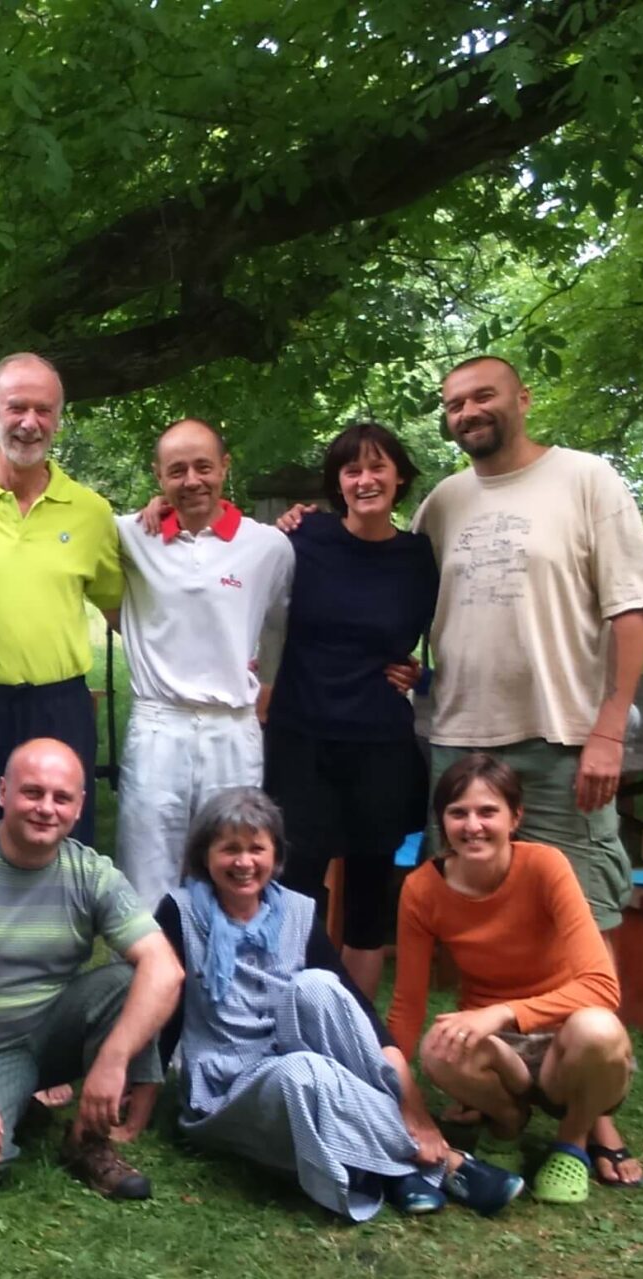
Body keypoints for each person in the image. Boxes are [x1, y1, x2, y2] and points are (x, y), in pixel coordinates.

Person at [412, 356, 643, 1187]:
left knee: (584, 906)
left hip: (560, 741)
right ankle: (496, 1078)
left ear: (521, 399)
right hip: (459, 737)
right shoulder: (443, 503)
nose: (468, 411)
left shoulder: (586, 481)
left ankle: (595, 1104)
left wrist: (609, 729)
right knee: (474, 910)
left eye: (482, 395)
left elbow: (632, 609)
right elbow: (394, 587)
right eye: (454, 403)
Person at [163, 788, 526, 1221]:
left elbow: (356, 1012)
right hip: (225, 1089)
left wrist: (416, 1110)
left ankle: (389, 1164)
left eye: (256, 849)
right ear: (205, 855)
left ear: (275, 855)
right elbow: (163, 1008)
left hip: (285, 1055)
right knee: (305, 1071)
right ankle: (443, 1165)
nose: (244, 863)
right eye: (229, 849)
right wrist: (139, 1095)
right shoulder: (181, 911)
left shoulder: (297, 911)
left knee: (317, 986)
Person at [0, 739, 183, 1198]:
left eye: (61, 798)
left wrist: (112, 1062)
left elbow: (166, 969)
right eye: (32, 792)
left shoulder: (91, 873)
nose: (46, 808)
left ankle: (88, 1141)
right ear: (3, 792)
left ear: (79, 806)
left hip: (54, 1032)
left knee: (133, 981)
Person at [393, 755, 639, 1205]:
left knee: (600, 1029)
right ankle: (508, 1120)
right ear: (442, 821)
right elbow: (408, 1005)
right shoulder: (422, 889)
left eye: (488, 811)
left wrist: (502, 1012)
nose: (473, 826)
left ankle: (572, 1141)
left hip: (563, 1036)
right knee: (438, 1047)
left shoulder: (546, 865)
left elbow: (602, 986)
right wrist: (400, 1095)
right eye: (458, 813)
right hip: (499, 1048)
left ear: (515, 817)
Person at [0, 354, 125, 845]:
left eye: (44, 410)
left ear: (58, 419)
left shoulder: (92, 513)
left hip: (59, 707)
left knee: (61, 844)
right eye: (17, 407)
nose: (30, 423)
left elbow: (124, 613)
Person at [265, 424, 439, 997]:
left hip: (379, 746)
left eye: (377, 467)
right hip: (302, 741)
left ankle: (355, 1028)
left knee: (368, 899)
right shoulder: (302, 537)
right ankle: (287, 1015)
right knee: (294, 891)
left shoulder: (419, 558)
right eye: (351, 470)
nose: (365, 480)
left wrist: (422, 675)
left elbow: (460, 635)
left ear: (400, 478)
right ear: (337, 483)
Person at [113, 419, 293, 908]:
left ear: (225, 467)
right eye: (177, 471)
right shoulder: (131, 534)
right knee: (147, 871)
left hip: (231, 727)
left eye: (203, 467)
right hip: (159, 724)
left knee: (234, 865)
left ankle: (227, 958)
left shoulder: (269, 546)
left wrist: (269, 687)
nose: (192, 480)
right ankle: (153, 958)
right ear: (158, 476)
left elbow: (284, 623)